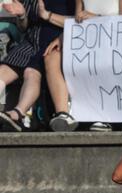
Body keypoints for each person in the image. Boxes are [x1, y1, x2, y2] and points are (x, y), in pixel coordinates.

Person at [44, 0, 122, 132]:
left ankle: (106, 115)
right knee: (51, 56)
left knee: (102, 58)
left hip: (116, 41)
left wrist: (97, 19)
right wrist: (63, 37)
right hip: (88, 40)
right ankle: (63, 114)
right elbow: (78, 19)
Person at [0, 0, 74, 132]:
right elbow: (24, 27)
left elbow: (77, 20)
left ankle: (18, 114)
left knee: (31, 72)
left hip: (53, 41)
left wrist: (48, 15)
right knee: (3, 72)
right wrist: (22, 15)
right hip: (30, 42)